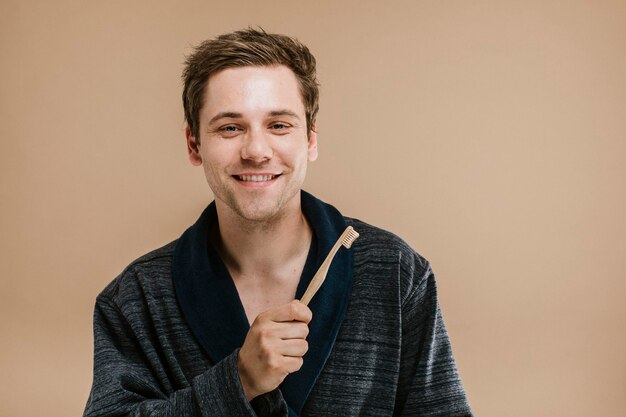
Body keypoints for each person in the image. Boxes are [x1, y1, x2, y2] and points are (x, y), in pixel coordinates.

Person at [83, 28, 473, 417]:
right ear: (194, 145)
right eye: (230, 128)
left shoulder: (397, 273)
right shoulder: (135, 299)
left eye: (279, 125)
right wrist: (239, 381)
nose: (256, 151)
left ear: (310, 141)